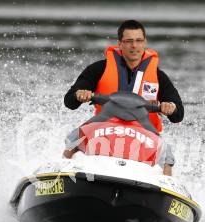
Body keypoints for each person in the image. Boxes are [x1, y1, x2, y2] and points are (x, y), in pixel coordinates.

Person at [63, 20, 184, 176]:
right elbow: (69, 101)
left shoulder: (158, 77)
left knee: (167, 157)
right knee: (74, 139)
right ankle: (61, 175)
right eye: (129, 41)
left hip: (144, 132)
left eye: (139, 41)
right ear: (120, 44)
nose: (134, 46)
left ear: (145, 43)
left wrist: (171, 107)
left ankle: (167, 186)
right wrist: (80, 95)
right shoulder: (99, 69)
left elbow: (179, 114)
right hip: (104, 127)